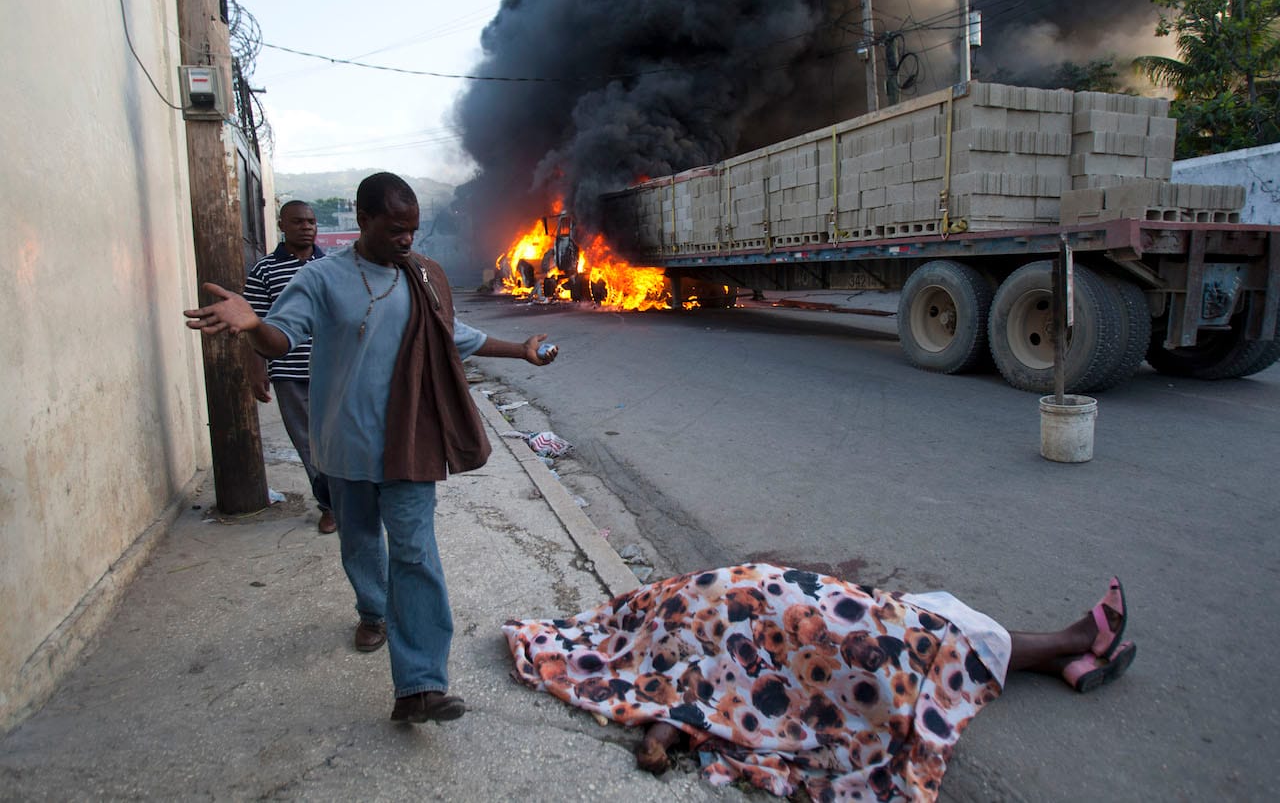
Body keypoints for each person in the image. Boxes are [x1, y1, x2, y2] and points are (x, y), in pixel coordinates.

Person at [186, 172, 557, 724]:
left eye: (412, 230)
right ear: (362, 221)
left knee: (415, 554)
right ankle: (372, 611)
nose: (407, 241)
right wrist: (253, 328)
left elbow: (455, 334)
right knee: (360, 543)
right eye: (394, 230)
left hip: (410, 444)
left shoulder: (423, 277)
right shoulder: (320, 279)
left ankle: (420, 685)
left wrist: (519, 349)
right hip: (342, 446)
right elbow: (282, 337)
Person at [503, 563, 1133, 801]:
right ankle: (1075, 644)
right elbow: (684, 706)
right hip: (803, 635)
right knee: (908, 644)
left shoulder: (654, 627)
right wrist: (660, 742)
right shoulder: (654, 647)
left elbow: (681, 705)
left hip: (792, 609)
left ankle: (1061, 655)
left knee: (911, 626)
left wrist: (662, 739)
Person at [243, 200, 335, 533]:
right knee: (308, 444)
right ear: (282, 225)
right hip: (289, 372)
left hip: (335, 370)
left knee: (340, 439)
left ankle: (353, 500)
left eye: (311, 221)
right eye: (298, 221)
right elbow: (254, 323)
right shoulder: (264, 270)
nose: (307, 227)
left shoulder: (334, 266)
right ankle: (329, 506)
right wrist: (257, 369)